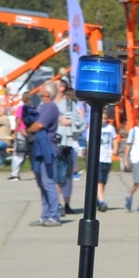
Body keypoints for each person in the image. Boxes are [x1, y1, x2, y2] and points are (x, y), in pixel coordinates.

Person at [24, 82, 62, 226]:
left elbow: (39, 125)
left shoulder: (50, 106)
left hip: (47, 148)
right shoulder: (42, 106)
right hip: (38, 148)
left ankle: (54, 216)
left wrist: (28, 130)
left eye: (43, 88)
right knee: (42, 184)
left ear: (47, 93)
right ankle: (45, 215)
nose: (39, 88)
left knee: (48, 183)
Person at [54, 78, 84, 214]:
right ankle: (56, 204)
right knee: (54, 177)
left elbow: (81, 124)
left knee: (66, 176)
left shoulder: (71, 106)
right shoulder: (49, 104)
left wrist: (69, 123)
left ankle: (66, 204)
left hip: (67, 145)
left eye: (56, 85)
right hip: (53, 144)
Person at [95, 112, 117, 212]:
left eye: (105, 118)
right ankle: (102, 201)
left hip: (107, 158)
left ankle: (98, 199)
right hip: (98, 158)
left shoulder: (110, 128)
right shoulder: (94, 127)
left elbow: (114, 139)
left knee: (103, 181)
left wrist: (115, 149)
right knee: (99, 180)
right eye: (102, 118)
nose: (103, 120)